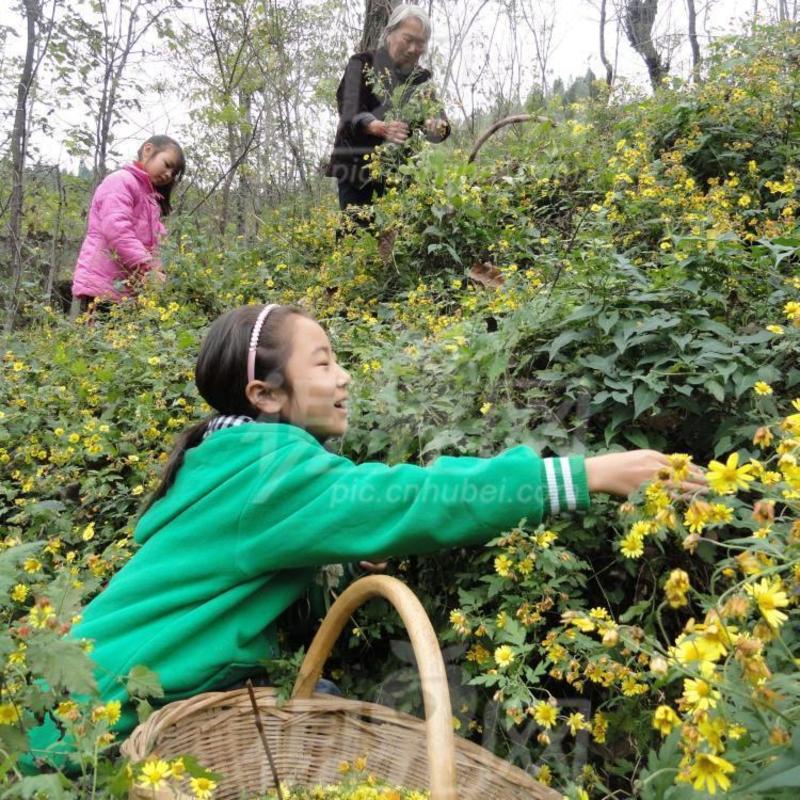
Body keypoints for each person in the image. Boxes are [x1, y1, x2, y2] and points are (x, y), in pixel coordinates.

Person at [28, 304, 706, 764]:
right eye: (322, 363)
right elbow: (413, 496)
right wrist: (579, 476)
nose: (344, 375)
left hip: (70, 703)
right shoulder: (268, 470)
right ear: (265, 394)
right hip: (90, 727)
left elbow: (243, 585)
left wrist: (342, 555)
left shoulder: (228, 462)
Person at [327, 4, 450, 215]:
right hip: (356, 171)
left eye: (420, 43)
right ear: (390, 34)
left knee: (395, 239)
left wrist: (437, 126)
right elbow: (349, 111)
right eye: (408, 39)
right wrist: (377, 127)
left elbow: (441, 124)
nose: (413, 48)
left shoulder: (421, 80)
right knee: (355, 237)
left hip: (399, 173)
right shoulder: (361, 63)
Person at [70, 135, 185, 315]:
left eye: (174, 173)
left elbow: (157, 244)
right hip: (102, 286)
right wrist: (147, 267)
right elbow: (118, 230)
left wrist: (160, 271)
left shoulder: (151, 199)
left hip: (127, 290)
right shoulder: (121, 181)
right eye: (168, 164)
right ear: (148, 150)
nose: (169, 175)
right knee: (98, 342)